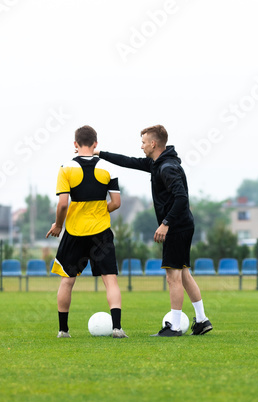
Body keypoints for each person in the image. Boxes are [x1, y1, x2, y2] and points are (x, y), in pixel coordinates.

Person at [98, 125, 212, 337]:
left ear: (153, 143)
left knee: (173, 275)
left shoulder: (167, 167)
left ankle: (175, 327)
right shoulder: (157, 163)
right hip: (183, 224)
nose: (141, 146)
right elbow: (129, 161)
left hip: (176, 227)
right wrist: (100, 154)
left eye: (143, 142)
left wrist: (166, 223)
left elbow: (181, 198)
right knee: (183, 273)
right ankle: (202, 320)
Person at [46, 125, 126, 339]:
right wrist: (99, 211)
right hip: (101, 231)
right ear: (95, 144)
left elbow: (63, 205)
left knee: (67, 280)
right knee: (110, 280)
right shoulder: (108, 169)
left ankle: (63, 331)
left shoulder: (66, 168)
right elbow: (116, 203)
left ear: (75, 144)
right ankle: (117, 328)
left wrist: (58, 225)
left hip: (74, 231)